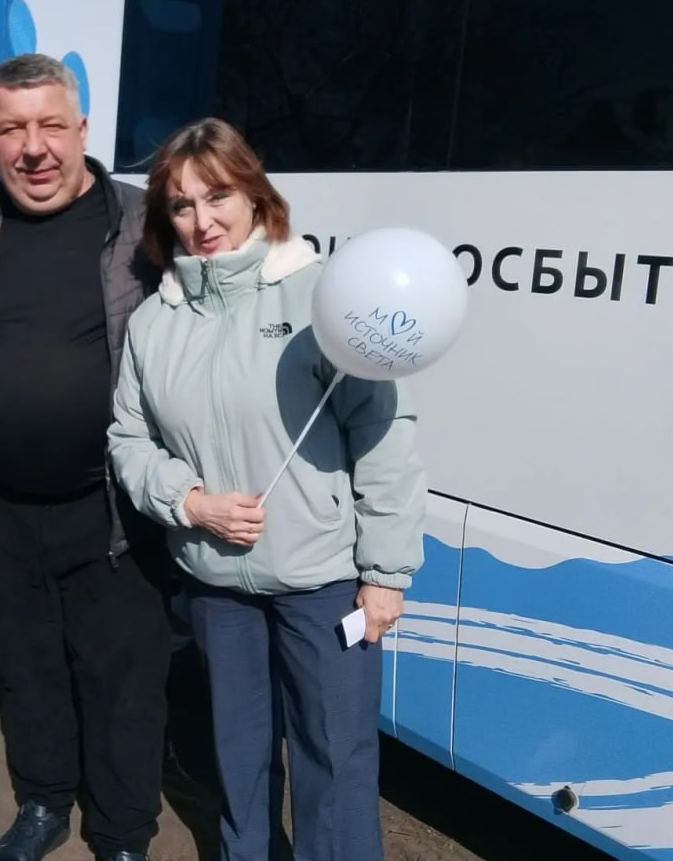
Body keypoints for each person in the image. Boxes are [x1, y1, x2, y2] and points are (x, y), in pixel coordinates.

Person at [107, 118, 427, 861]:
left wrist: (385, 573)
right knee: (237, 756)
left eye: (218, 195)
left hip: (323, 582)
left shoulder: (322, 298)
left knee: (335, 760)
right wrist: (189, 501)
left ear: (255, 195)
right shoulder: (155, 322)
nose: (202, 220)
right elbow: (130, 438)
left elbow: (383, 434)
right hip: (216, 583)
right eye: (182, 205)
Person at [0, 53, 169, 861]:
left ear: (82, 130)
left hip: (113, 508)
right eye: (13, 130)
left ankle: (122, 833)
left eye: (51, 125)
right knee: (28, 667)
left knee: (121, 679)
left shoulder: (142, 224)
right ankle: (44, 802)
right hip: (7, 508)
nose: (34, 148)